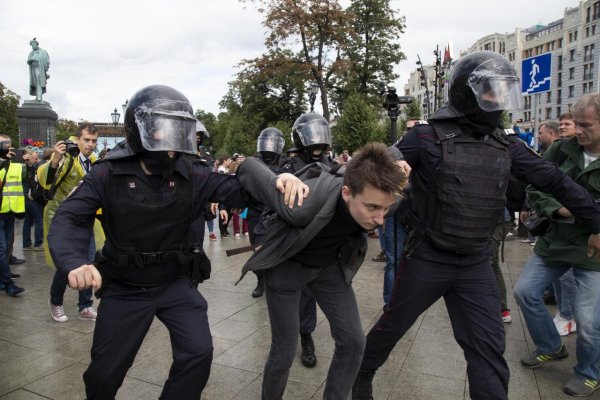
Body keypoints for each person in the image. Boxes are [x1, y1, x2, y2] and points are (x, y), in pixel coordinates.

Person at [352, 51, 600, 400]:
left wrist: (596, 223)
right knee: (393, 325)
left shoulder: (507, 145)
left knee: (487, 350)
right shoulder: (425, 137)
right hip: (428, 256)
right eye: (489, 91)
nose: (497, 99)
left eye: (503, 91)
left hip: (475, 264)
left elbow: (558, 183)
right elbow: (375, 166)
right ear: (467, 92)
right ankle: (362, 371)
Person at [46, 84, 306, 400]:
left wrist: (275, 178)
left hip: (175, 282)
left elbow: (240, 191)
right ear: (138, 131)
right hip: (125, 286)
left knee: (199, 352)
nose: (172, 146)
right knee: (104, 374)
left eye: (179, 132)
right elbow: (69, 217)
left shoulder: (193, 172)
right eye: (162, 132)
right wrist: (75, 261)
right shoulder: (108, 173)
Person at [237, 142, 407, 400]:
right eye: (372, 208)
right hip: (288, 269)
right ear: (347, 193)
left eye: (385, 208)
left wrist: (403, 166)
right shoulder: (302, 201)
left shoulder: (382, 200)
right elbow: (248, 167)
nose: (380, 219)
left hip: (328, 269)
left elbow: (392, 161)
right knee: (284, 351)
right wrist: (279, 178)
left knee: (353, 343)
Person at [513, 93, 600, 397]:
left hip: (593, 251)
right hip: (556, 241)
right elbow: (535, 185)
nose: (578, 130)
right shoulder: (562, 150)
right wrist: (556, 208)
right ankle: (551, 346)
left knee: (588, 321)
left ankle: (589, 372)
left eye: (586, 124)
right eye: (576, 124)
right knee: (525, 292)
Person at [279, 112, 339, 369]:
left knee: (313, 295)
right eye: (311, 139)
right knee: (294, 294)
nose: (316, 145)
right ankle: (297, 337)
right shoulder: (289, 166)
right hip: (295, 238)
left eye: (320, 139)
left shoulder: (333, 163)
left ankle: (306, 334)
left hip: (324, 240)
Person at [38, 124, 101, 322]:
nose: (90, 145)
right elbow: (45, 178)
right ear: (78, 139)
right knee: (66, 264)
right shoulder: (67, 158)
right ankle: (55, 302)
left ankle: (85, 305)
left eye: (93, 141)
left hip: (85, 220)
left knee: (88, 261)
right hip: (62, 218)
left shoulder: (93, 161)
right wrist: (55, 159)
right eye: (87, 140)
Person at [246, 127, 287, 298]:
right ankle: (260, 280)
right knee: (256, 249)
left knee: (279, 249)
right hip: (256, 213)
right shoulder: (255, 163)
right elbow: (242, 183)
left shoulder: (286, 164)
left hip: (276, 214)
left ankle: (277, 282)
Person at [0, 135, 25, 296]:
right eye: (4, 145)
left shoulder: (14, 165)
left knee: (8, 246)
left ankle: (4, 275)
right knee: (1, 248)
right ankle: (8, 283)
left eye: (9, 146)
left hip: (10, 212)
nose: (7, 148)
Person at [22, 148, 44, 251]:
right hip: (33, 198)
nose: (36, 159)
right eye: (34, 157)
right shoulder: (33, 169)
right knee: (39, 220)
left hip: (26, 197)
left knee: (28, 221)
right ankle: (38, 244)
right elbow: (34, 183)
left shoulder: (25, 168)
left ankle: (26, 244)